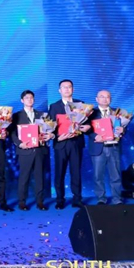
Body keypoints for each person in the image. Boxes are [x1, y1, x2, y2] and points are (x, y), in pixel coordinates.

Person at [48, 79, 90, 209]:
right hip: (61, 143)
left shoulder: (81, 104)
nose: (67, 89)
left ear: (73, 89)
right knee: (59, 173)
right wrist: (57, 137)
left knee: (76, 172)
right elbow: (50, 126)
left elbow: (88, 123)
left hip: (76, 143)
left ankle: (77, 199)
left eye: (69, 87)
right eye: (64, 87)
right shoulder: (54, 106)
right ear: (59, 90)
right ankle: (60, 200)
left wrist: (87, 127)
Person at [11, 90, 50, 211]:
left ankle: (40, 202)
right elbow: (12, 133)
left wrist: (49, 135)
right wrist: (19, 144)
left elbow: (47, 130)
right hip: (24, 150)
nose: (29, 100)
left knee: (39, 177)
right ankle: (22, 202)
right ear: (22, 100)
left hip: (39, 150)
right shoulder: (16, 116)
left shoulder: (42, 115)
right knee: (24, 177)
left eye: (31, 98)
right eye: (27, 98)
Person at [88, 90, 124, 205]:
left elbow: (123, 128)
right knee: (98, 175)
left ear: (110, 99)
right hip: (98, 147)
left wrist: (123, 130)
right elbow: (86, 129)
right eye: (102, 96)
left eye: (107, 97)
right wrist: (95, 136)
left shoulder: (117, 112)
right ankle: (101, 198)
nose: (105, 99)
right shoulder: (90, 113)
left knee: (116, 175)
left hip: (113, 147)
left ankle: (117, 199)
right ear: (96, 99)